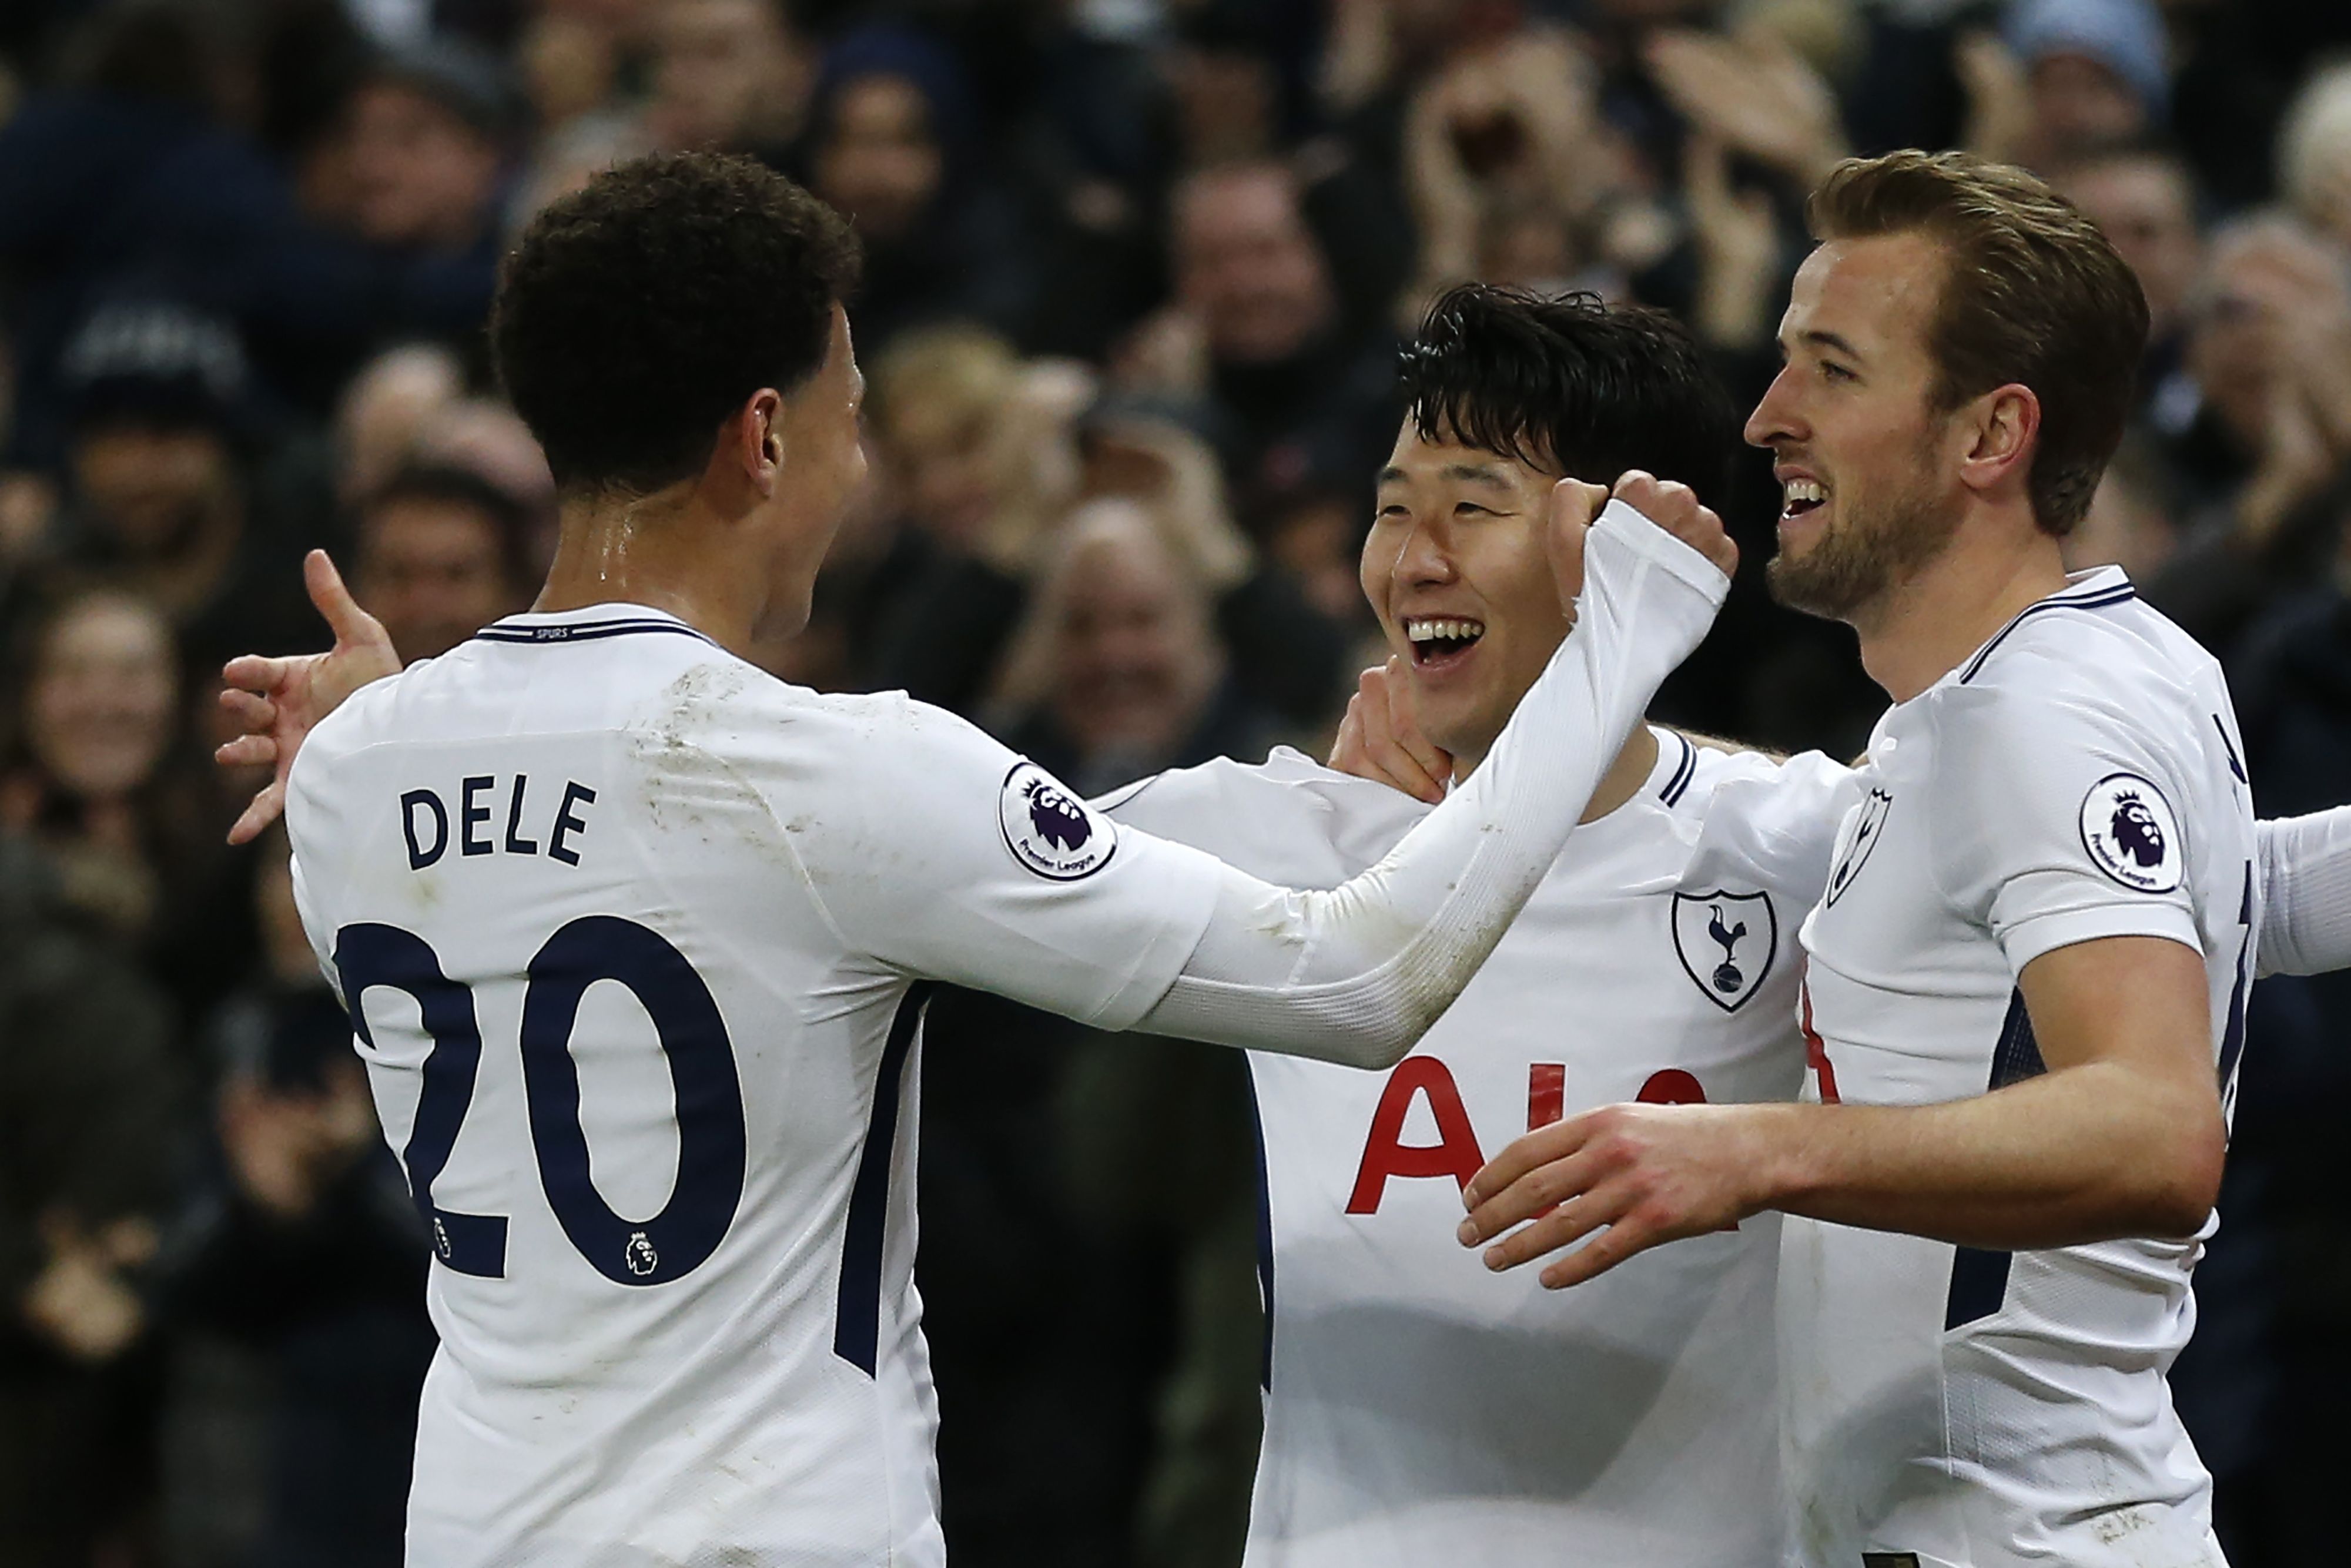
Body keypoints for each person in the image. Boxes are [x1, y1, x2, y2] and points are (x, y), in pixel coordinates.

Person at [210, 152, 1737, 1567]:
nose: (854, 469)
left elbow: (518, 812)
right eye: (849, 416)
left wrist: (381, 707)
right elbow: (1359, 974)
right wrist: (1625, 632)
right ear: (763, 435)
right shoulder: (836, 773)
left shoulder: (344, 773)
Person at [1448, 150, 2285, 1568]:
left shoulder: (2036, 714)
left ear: (1986, 437)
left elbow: (2154, 1130)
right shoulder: (2044, 688)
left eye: (1829, 370)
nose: (1767, 417)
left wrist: (1754, 1146)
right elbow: (2206, 888)